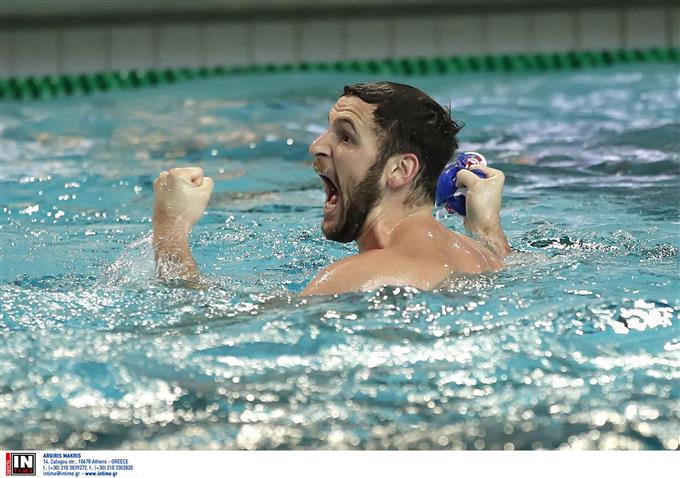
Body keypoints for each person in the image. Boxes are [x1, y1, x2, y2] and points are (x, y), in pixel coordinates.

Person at [152, 82, 511, 296]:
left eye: (346, 137)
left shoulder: (356, 278)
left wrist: (169, 230)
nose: (317, 146)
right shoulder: (485, 258)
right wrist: (487, 229)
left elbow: (196, 328)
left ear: (400, 170)